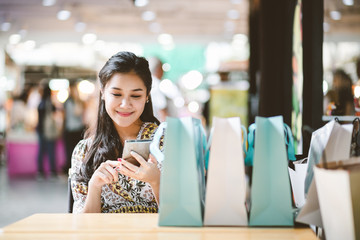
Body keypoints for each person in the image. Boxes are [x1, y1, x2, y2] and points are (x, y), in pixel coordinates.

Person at [70, 51, 161, 213]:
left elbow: (184, 216)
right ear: (103, 92)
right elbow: (83, 227)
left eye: (136, 95)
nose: (125, 104)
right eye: (117, 94)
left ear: (147, 96)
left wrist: (157, 181)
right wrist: (94, 187)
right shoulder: (84, 151)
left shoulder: (165, 142)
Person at [62, 82, 85, 175]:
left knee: (78, 152)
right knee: (69, 151)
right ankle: (70, 169)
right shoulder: (68, 102)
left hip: (78, 130)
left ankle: (77, 169)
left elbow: (79, 113)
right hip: (69, 129)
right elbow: (73, 113)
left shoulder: (79, 102)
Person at [36, 81, 58, 179]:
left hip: (40, 129)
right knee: (50, 151)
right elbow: (55, 113)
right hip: (48, 130)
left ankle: (40, 172)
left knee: (41, 151)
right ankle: (52, 172)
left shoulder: (40, 102)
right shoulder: (49, 103)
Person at [148, 56, 168, 122]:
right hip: (157, 126)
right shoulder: (157, 85)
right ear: (158, 69)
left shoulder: (145, 83)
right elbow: (162, 111)